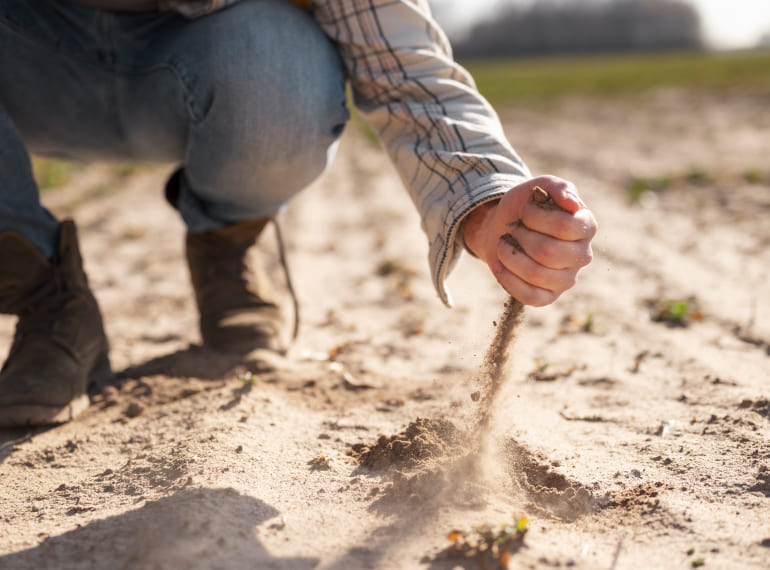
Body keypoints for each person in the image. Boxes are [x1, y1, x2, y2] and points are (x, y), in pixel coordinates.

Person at [0, 0, 597, 427]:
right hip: (27, 54)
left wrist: (485, 200)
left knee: (278, 56)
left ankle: (226, 240)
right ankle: (46, 297)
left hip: (200, 64)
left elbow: (401, 66)